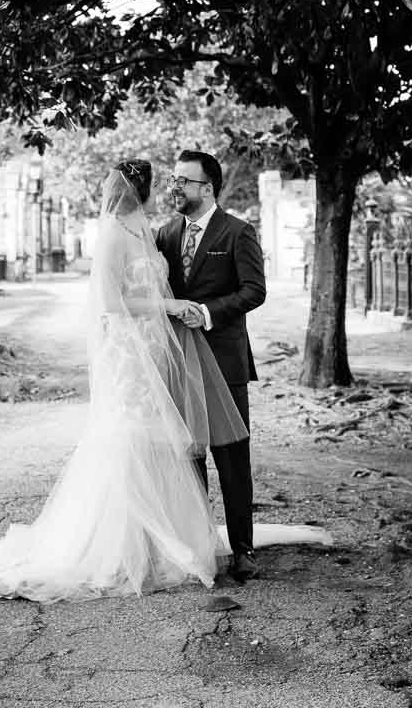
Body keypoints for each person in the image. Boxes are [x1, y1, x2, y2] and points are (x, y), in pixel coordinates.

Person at [0, 160, 246, 601]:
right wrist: (170, 307)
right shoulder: (114, 231)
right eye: (159, 183)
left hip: (158, 351)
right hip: (130, 355)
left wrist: (179, 311)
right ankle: (121, 549)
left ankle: (165, 540)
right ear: (140, 190)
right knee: (131, 440)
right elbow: (111, 300)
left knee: (163, 444)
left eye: (181, 181)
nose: (167, 188)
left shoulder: (146, 229)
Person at [156, 149, 267, 582]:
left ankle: (244, 549)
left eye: (184, 180)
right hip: (181, 365)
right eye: (173, 178)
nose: (175, 186)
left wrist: (204, 312)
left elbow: (254, 291)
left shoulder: (238, 232)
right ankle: (201, 545)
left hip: (224, 362)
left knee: (232, 459)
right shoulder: (165, 234)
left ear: (208, 187)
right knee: (191, 457)